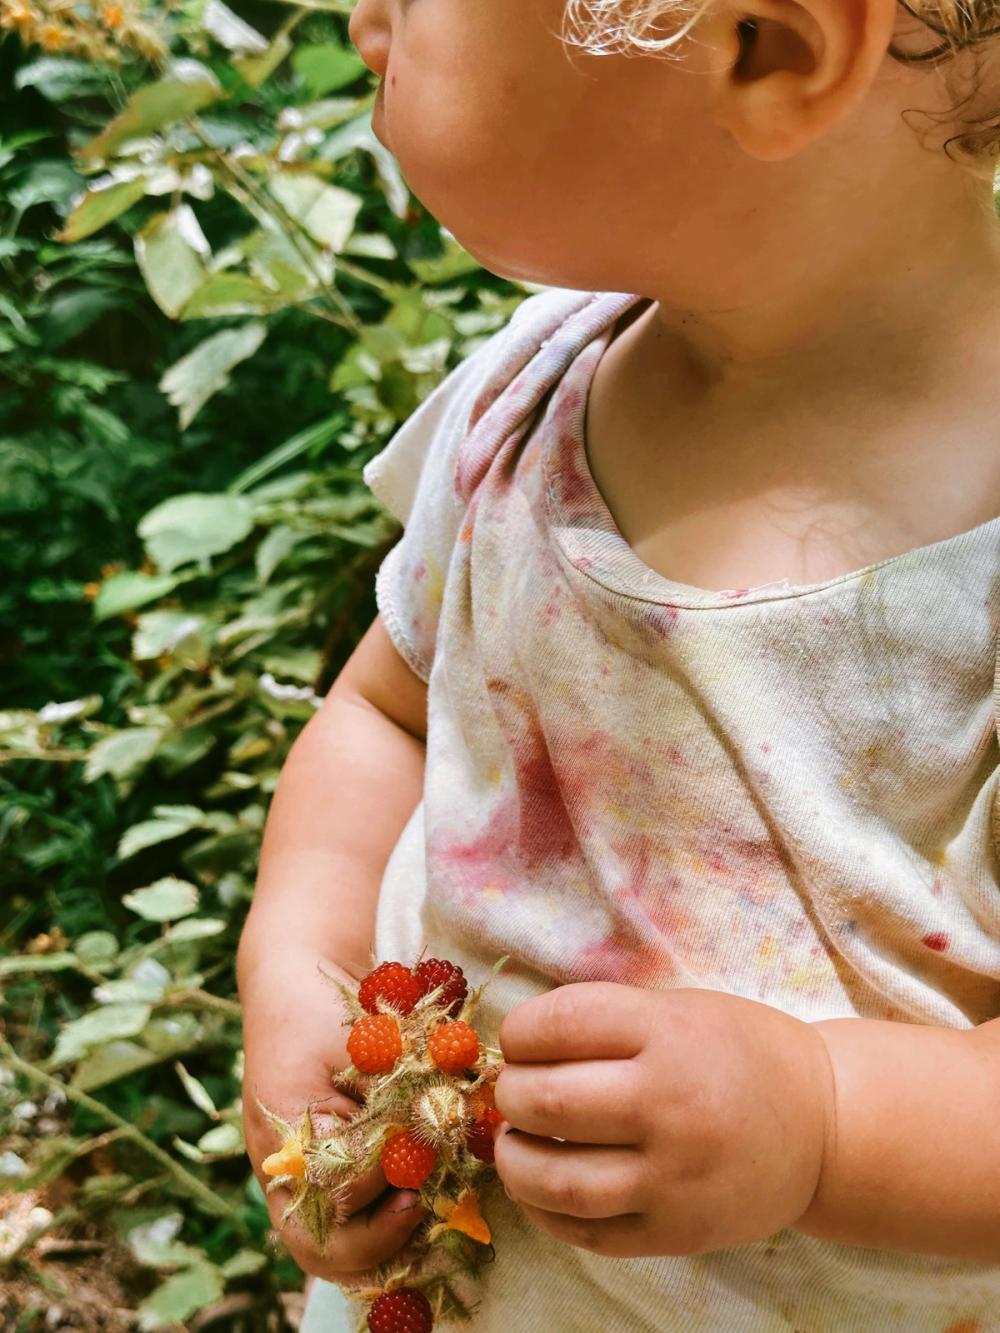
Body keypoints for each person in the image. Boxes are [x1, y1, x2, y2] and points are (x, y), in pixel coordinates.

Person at [237, 0, 1000, 1322]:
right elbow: (386, 716)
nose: (365, 21)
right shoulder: (524, 393)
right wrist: (299, 962)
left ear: (770, 46)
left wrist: (828, 1121)